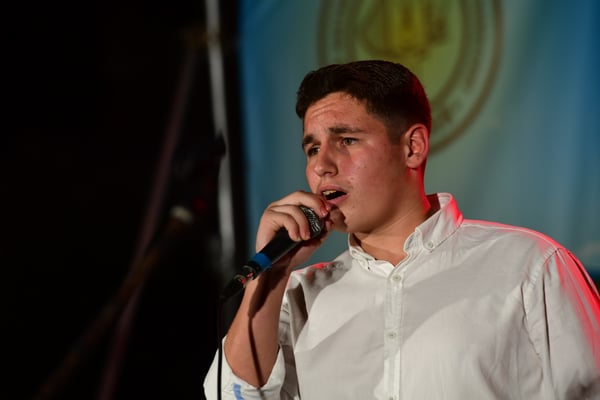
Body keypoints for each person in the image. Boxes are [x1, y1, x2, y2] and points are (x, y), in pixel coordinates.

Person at [204, 60, 600, 399]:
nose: (321, 165)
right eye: (312, 148)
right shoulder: (297, 296)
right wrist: (270, 277)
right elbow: (231, 395)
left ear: (413, 147)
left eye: (346, 140)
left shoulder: (530, 266)